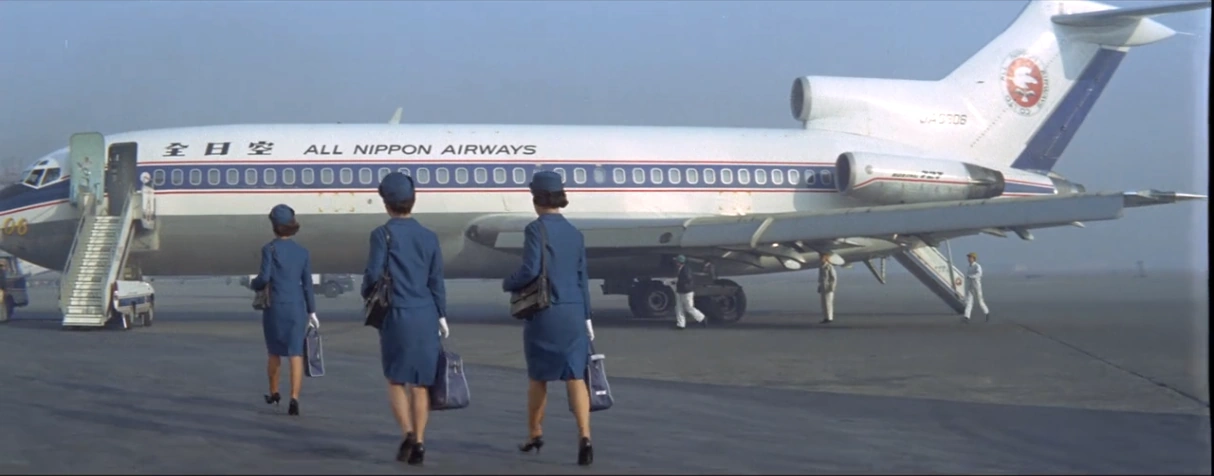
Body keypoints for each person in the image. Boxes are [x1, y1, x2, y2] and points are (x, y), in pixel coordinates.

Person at [502, 170, 596, 466]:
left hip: (546, 311)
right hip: (574, 311)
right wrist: (587, 316)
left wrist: (509, 282)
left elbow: (530, 270)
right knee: (575, 376)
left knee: (539, 376)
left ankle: (535, 433)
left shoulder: (535, 230)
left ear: (536, 198)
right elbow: (582, 277)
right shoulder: (575, 233)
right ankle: (585, 437)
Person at [361, 172, 450, 466]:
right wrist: (441, 314)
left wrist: (367, 293)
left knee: (396, 379)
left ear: (386, 203)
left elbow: (373, 275)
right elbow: (436, 280)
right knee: (421, 383)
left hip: (396, 314)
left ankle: (408, 433)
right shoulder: (429, 236)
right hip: (426, 313)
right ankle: (421, 441)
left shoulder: (382, 234)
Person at [250, 204, 319, 417]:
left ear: (274, 225)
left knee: (274, 352)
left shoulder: (269, 249)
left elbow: (264, 277)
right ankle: (294, 399)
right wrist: (312, 311)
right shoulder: (303, 252)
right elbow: (307, 284)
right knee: (296, 353)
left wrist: (254, 284)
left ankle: (274, 392)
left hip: (275, 307)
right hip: (297, 307)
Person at [673, 255, 706, 329]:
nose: (676, 263)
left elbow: (688, 278)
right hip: (681, 290)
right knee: (679, 308)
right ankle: (680, 324)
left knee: (689, 308)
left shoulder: (686, 269)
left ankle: (701, 318)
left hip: (686, 291)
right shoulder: (682, 268)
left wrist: (678, 282)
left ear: (679, 262)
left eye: (677, 261)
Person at [963, 252, 991, 322]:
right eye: (968, 257)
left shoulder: (977, 266)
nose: (969, 259)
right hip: (970, 286)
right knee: (969, 301)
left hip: (977, 285)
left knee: (980, 301)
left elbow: (979, 274)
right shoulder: (968, 266)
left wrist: (971, 276)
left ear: (974, 258)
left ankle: (987, 312)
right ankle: (967, 317)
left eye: (970, 257)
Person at [818, 253, 837, 324]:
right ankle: (825, 317)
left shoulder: (829, 267)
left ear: (825, 258)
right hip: (823, 286)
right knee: (824, 303)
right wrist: (820, 287)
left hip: (828, 287)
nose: (820, 259)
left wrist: (832, 287)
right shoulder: (821, 267)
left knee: (828, 302)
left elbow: (834, 278)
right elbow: (821, 278)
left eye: (822, 257)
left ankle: (829, 317)